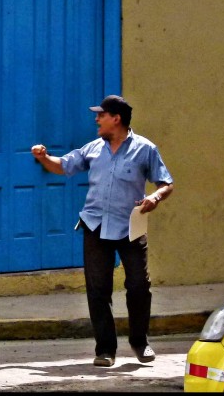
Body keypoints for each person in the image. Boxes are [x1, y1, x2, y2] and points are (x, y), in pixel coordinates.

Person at [31, 95, 174, 368]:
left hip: (131, 227)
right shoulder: (93, 148)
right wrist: (43, 157)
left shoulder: (145, 149)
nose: (96, 119)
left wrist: (154, 198)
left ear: (116, 118)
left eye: (101, 115)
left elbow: (166, 183)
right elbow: (62, 166)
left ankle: (140, 342)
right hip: (95, 225)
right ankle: (105, 349)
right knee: (98, 289)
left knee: (139, 287)